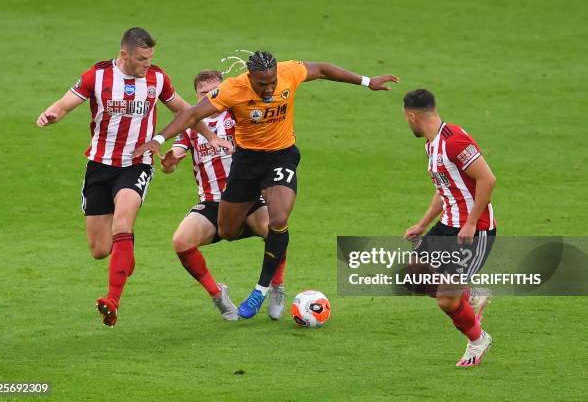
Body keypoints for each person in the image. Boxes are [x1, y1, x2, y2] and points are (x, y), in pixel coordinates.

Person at [134, 51, 399, 319]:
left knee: (279, 217)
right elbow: (190, 115)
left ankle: (266, 288)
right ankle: (226, 286)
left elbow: (322, 69)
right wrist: (159, 139)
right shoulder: (232, 92)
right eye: (262, 84)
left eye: (272, 82)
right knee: (226, 230)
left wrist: (367, 81)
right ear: (250, 78)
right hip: (246, 165)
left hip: (280, 155)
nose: (270, 88)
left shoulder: (287, 73)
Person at [35, 27, 232, 327]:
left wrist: (210, 136)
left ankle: (112, 300)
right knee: (100, 250)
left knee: (123, 221)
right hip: (100, 166)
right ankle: (123, 258)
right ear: (124, 54)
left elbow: (185, 110)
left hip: (136, 163)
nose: (147, 64)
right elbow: (63, 104)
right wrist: (50, 115)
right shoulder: (97, 77)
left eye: (151, 57)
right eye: (142, 59)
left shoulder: (157, 79)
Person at [159, 70, 287, 321]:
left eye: (215, 92)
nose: (210, 98)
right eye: (204, 94)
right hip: (211, 203)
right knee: (181, 241)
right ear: (196, 97)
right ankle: (218, 294)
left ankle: (277, 287)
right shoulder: (191, 126)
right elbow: (172, 160)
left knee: (277, 228)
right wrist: (169, 162)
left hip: (247, 199)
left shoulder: (239, 116)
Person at [402, 89, 497, 367]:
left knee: (446, 300)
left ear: (412, 116)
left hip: (474, 231)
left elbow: (487, 180)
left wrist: (469, 223)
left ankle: (478, 340)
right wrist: (422, 224)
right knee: (413, 276)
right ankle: (472, 295)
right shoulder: (431, 145)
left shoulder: (454, 141)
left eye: (406, 119)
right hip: (448, 225)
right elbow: (445, 188)